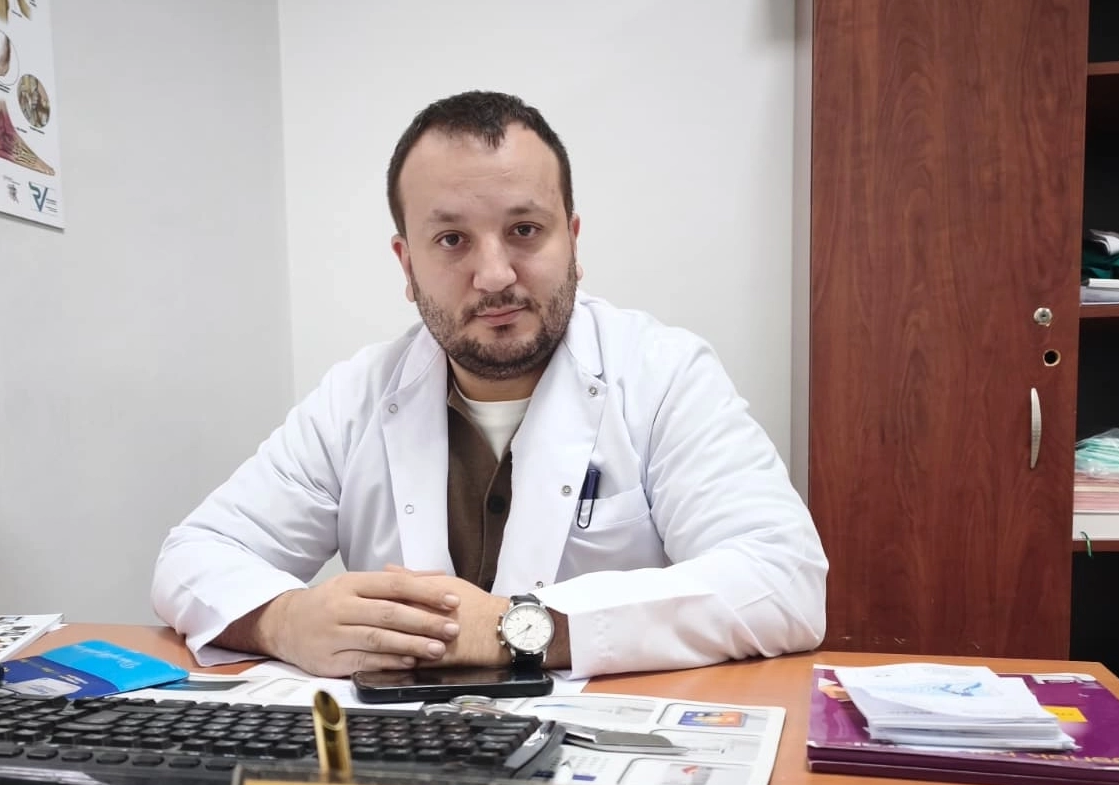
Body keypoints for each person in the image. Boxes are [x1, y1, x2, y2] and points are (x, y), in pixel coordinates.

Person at [152, 91, 827, 678]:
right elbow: (193, 556)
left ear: (574, 241)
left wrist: (520, 629)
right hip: (406, 759)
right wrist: (284, 620)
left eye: (525, 230)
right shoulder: (355, 396)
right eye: (452, 240)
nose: (496, 274)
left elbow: (783, 581)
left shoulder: (663, 375)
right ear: (406, 264)